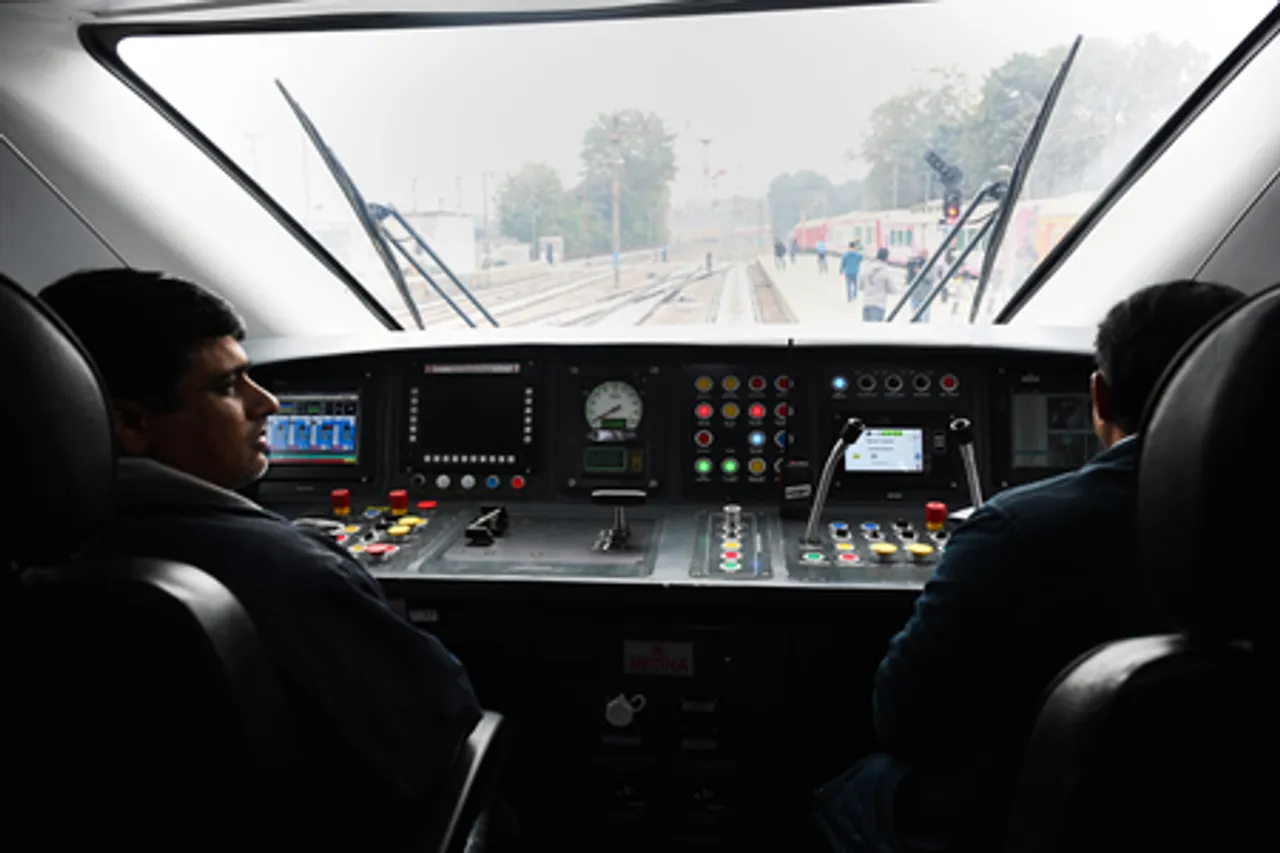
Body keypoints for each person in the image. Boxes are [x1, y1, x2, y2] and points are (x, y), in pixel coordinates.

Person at [39, 268, 484, 850]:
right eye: (228, 387)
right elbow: (437, 728)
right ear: (129, 422)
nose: (267, 402)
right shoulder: (283, 571)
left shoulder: (29, 557)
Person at [812, 279, 1247, 853]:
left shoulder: (1015, 533)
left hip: (1011, 816)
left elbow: (901, 718)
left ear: (1098, 397)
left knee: (843, 792)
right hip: (1234, 807)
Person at [857, 247, 896, 322]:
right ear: (886, 257)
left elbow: (860, 286)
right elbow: (892, 289)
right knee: (875, 331)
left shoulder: (867, 268)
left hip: (866, 304)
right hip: (879, 305)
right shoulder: (886, 271)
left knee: (866, 330)